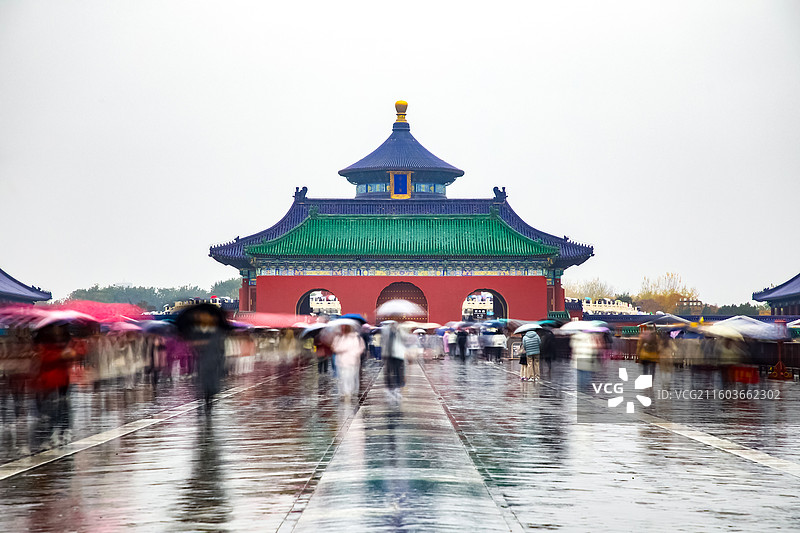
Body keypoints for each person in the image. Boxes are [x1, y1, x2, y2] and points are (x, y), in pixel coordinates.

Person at [177, 304, 230, 412]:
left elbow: (221, 349)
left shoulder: (217, 332)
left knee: (212, 388)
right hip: (201, 363)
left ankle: (208, 405)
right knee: (201, 386)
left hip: (214, 362)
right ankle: (203, 405)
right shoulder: (195, 332)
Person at [331, 324, 364, 400]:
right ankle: (344, 392)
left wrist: (353, 353)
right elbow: (335, 348)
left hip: (352, 361)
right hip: (341, 361)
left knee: (350, 377)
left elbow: (360, 348)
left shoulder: (355, 337)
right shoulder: (338, 337)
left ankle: (348, 392)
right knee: (342, 377)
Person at [382, 321, 407, 403]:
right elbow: (385, 343)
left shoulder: (401, 333)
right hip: (389, 355)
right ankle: (391, 388)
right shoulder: (387, 333)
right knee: (389, 372)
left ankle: (397, 388)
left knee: (398, 372)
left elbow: (405, 342)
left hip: (399, 355)